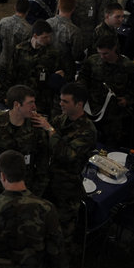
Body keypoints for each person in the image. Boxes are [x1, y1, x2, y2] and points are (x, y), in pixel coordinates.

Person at [36, 83, 97, 240]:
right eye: (60, 100)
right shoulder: (63, 119)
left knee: (61, 232)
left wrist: (49, 129)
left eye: (65, 101)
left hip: (67, 188)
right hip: (49, 181)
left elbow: (68, 155)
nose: (60, 103)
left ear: (79, 104)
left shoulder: (87, 130)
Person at [0, 85, 52, 200]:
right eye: (30, 103)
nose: (34, 107)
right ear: (17, 105)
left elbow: (43, 165)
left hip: (25, 191)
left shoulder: (37, 127)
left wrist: (36, 195)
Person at [76, 36, 134, 149]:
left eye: (105, 53)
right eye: (100, 53)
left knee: (110, 145)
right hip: (92, 109)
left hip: (114, 114)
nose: (102, 57)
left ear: (114, 49)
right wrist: (82, 91)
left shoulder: (128, 66)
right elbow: (82, 77)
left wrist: (127, 99)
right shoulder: (93, 61)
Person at [0, 20, 64, 116]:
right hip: (21, 99)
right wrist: (6, 94)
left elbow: (57, 77)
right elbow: (11, 73)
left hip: (41, 103)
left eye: (49, 36)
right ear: (35, 36)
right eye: (44, 37)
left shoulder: (53, 54)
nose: (48, 39)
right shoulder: (20, 49)